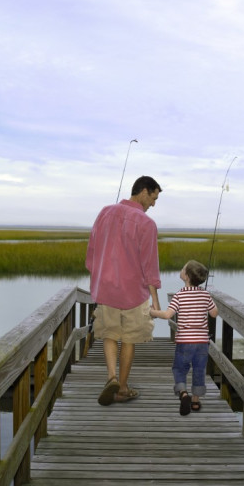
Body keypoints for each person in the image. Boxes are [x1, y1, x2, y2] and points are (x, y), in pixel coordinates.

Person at [86, 175, 162, 406]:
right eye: (154, 197)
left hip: (106, 288)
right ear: (144, 191)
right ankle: (123, 388)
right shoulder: (146, 224)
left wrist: (96, 276)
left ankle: (111, 378)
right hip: (133, 294)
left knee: (110, 335)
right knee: (128, 339)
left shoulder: (105, 212)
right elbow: (149, 265)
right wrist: (156, 303)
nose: (153, 204)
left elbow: (92, 251)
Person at [150, 259, 218, 415]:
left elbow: (167, 315)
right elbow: (214, 313)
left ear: (186, 276)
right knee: (199, 370)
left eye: (183, 268)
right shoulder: (205, 295)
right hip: (202, 343)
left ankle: (183, 393)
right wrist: (206, 299)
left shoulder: (180, 295)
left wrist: (152, 312)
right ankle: (195, 402)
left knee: (179, 369)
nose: (181, 270)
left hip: (185, 342)